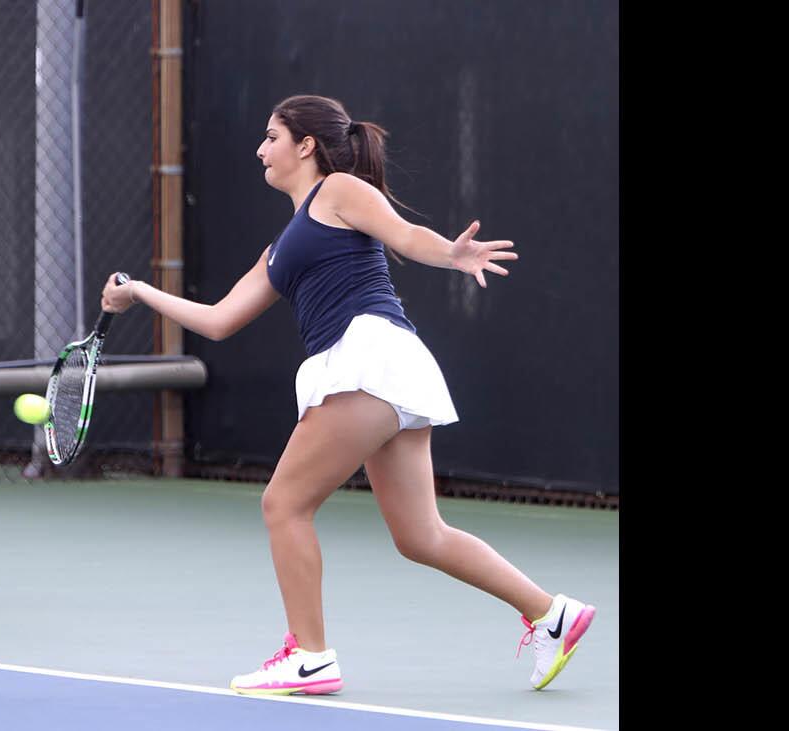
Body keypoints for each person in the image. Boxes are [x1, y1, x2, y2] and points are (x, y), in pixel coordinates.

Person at [100, 95, 592, 693]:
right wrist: (142, 291)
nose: (261, 149)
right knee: (420, 536)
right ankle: (552, 614)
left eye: (271, 136)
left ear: (305, 145)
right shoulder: (279, 247)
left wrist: (452, 254)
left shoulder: (338, 192)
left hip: (368, 358)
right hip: (384, 371)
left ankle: (308, 656)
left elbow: (408, 236)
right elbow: (219, 319)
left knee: (283, 505)